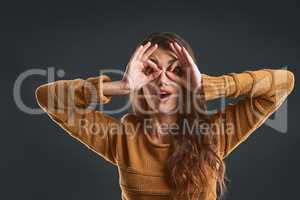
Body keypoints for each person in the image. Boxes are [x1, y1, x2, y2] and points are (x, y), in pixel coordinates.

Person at [35, 32, 295, 200]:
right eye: (150, 70)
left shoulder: (214, 134)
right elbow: (47, 98)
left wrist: (210, 86)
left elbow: (283, 83)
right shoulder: (122, 138)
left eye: (175, 70)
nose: (162, 80)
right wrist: (120, 86)